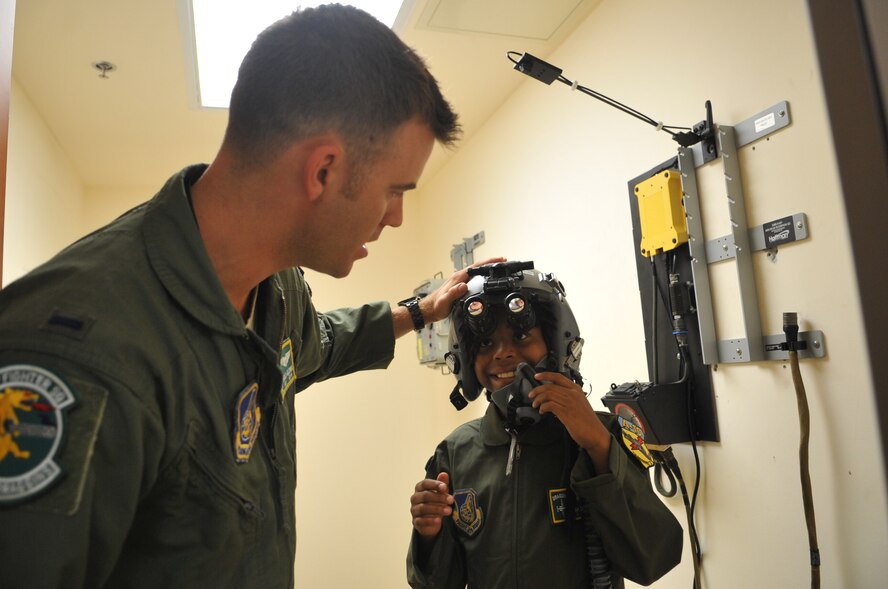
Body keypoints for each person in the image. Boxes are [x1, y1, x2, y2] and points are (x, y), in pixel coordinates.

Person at [0, 5, 483, 588]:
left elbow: (317, 345)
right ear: (323, 170)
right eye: (394, 190)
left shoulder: (276, 287)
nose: (398, 218)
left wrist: (418, 311)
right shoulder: (80, 357)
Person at [407, 261, 683, 588]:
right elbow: (437, 583)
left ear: (555, 345)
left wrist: (597, 445)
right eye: (484, 343)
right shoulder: (455, 452)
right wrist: (429, 535)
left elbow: (654, 559)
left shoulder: (603, 436)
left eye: (521, 334)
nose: (502, 353)